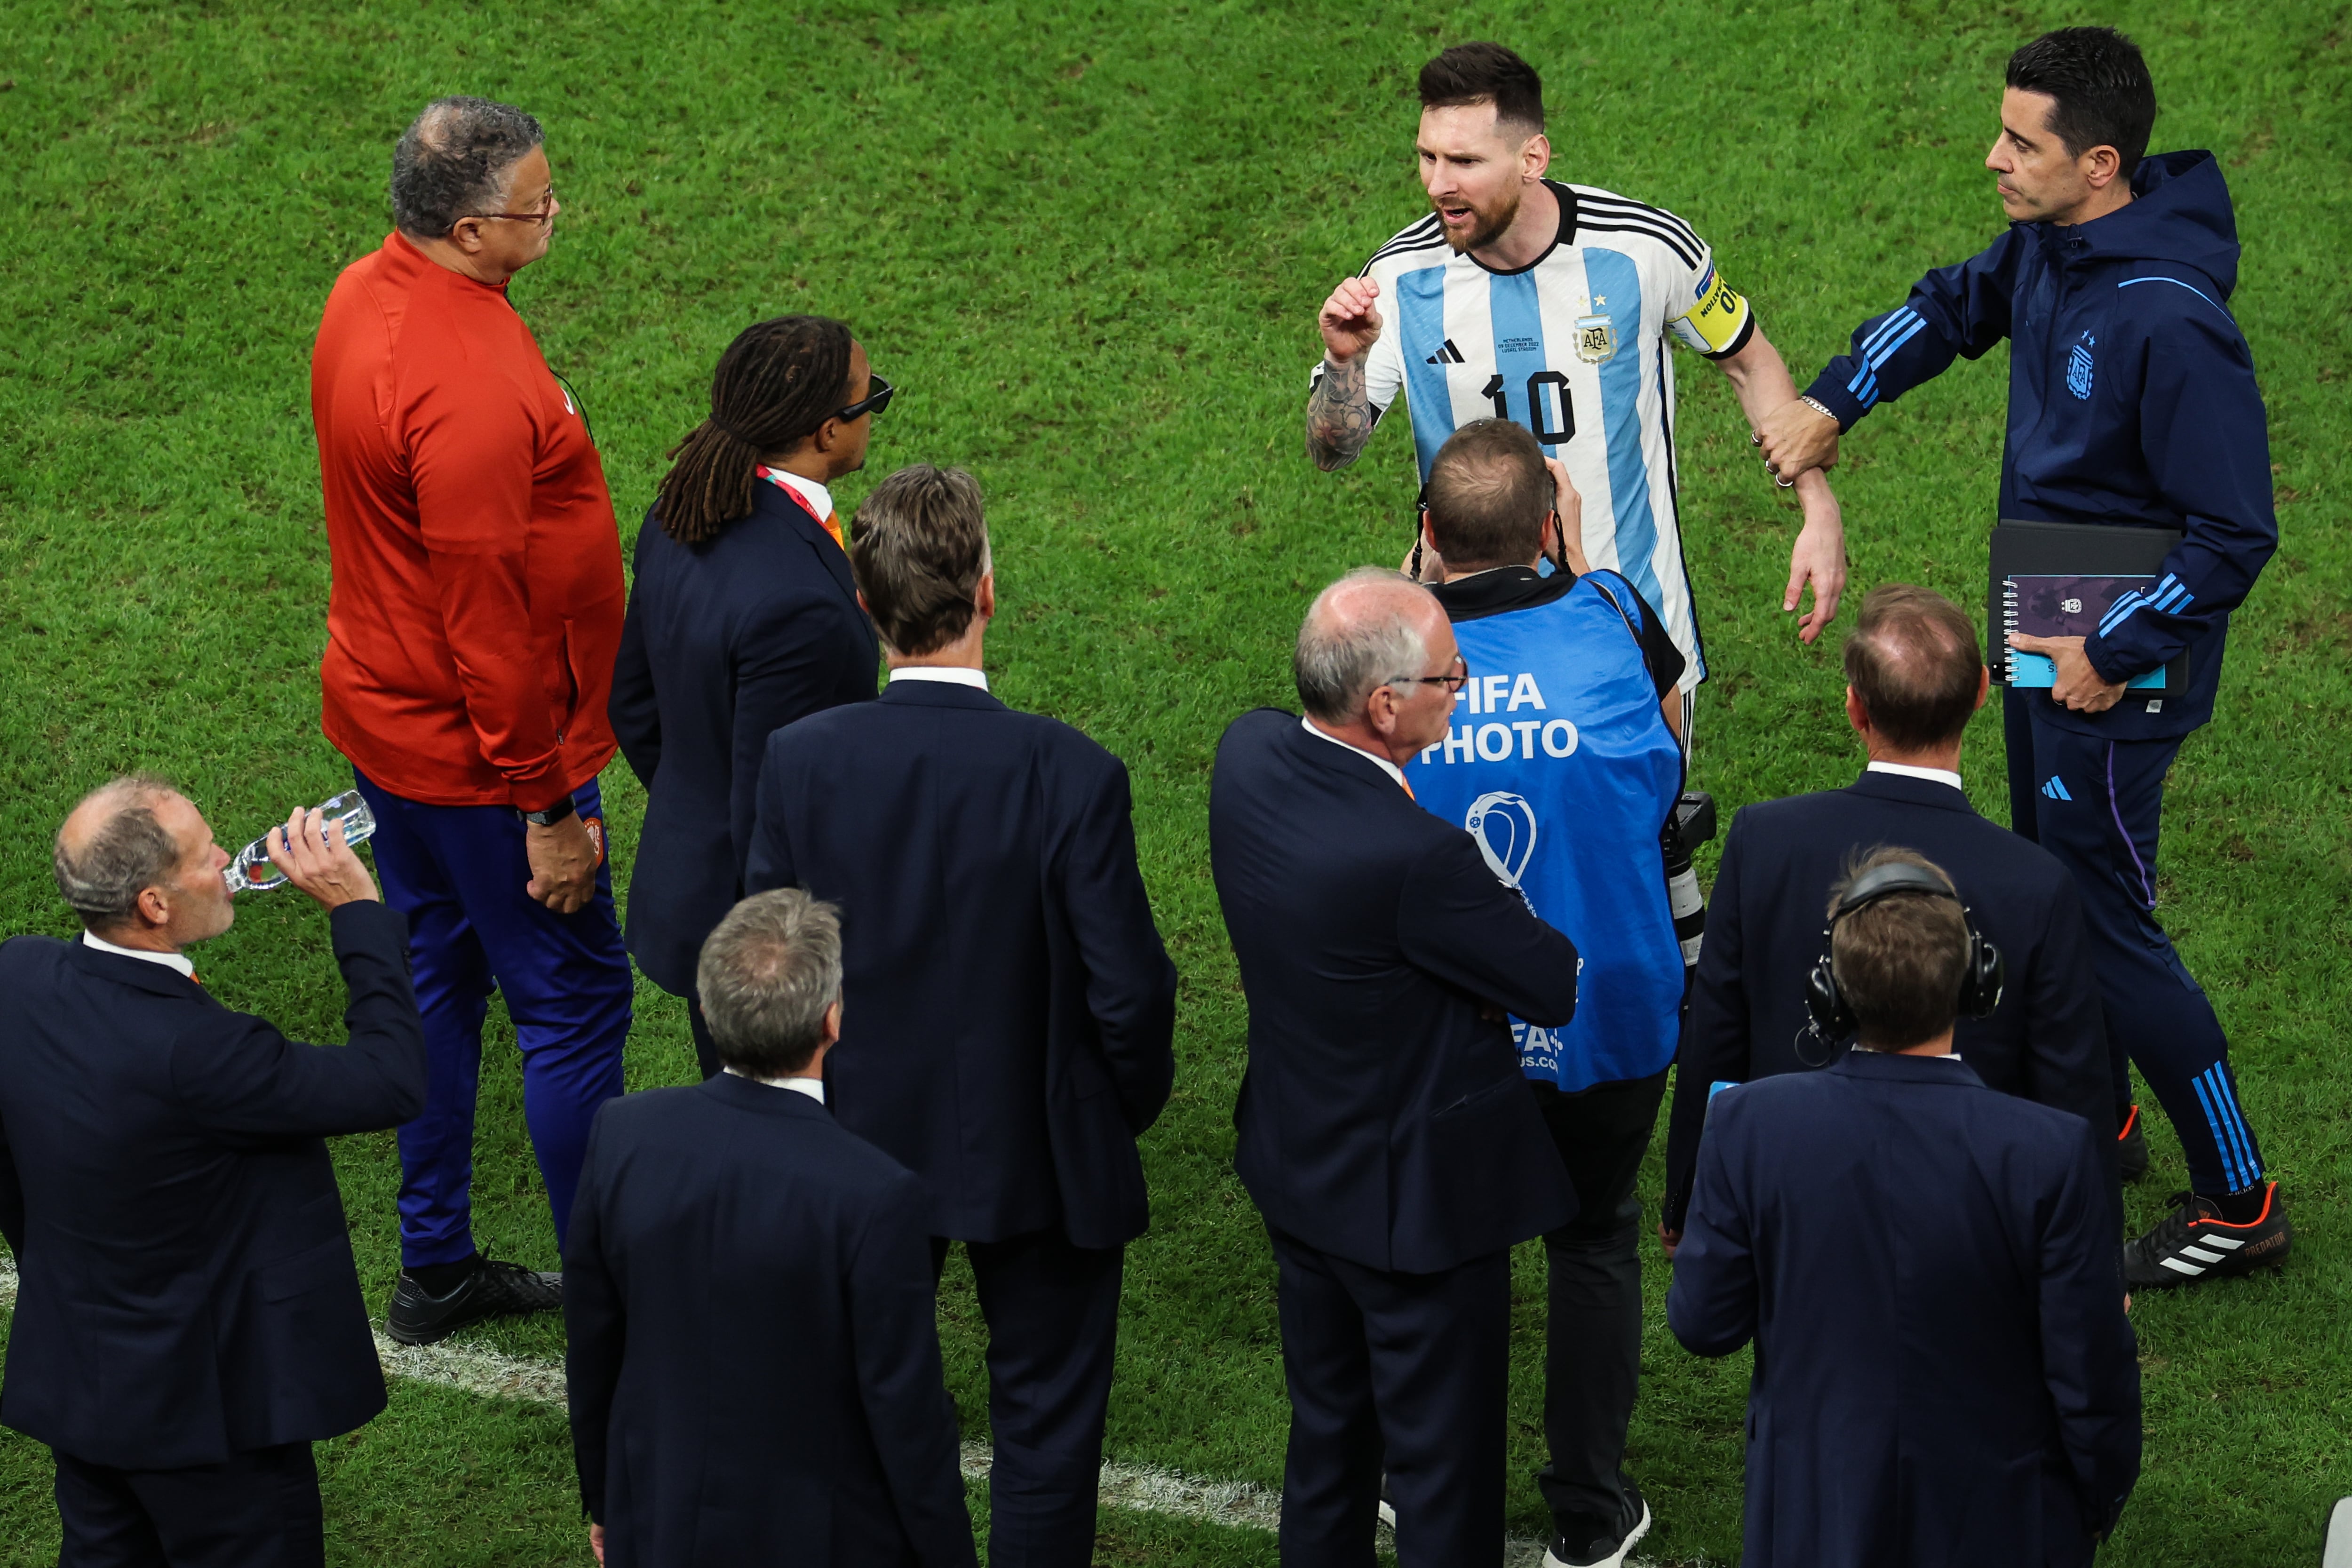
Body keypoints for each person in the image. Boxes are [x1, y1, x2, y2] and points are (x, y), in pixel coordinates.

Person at [1755, 27, 2286, 1286]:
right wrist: (1838, 397)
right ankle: (2096, 1116)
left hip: (2112, 655)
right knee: (2052, 886)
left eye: (2020, 143)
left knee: (2106, 921)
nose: (1993, 157)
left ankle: (2241, 1195)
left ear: (2099, 163)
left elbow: (2236, 532)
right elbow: (1957, 303)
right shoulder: (2061, 240)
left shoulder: (2173, 321)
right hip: (2047, 620)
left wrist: (2112, 644)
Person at [745, 465, 1177, 1568]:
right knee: (1047, 1427)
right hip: (1040, 1149)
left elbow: (760, 973)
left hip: (847, 1142)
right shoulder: (1072, 772)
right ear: (989, 590)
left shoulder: (801, 763)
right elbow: (1130, 991)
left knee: (852, 1412)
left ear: (865, 606)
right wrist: (1108, 1106)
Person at [311, 95, 635, 1342]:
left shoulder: (362, 293)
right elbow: (489, 626)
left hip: (386, 729)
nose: (555, 214)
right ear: (463, 225)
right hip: (486, 762)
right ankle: (614, 1295)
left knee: (439, 978)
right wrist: (548, 806)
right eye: (536, 205)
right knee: (571, 1002)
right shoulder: (470, 388)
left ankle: (434, 1258)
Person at [1307, 40, 1848, 745]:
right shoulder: (1403, 276)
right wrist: (1345, 363)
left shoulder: (1645, 249)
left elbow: (1748, 363)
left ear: (1533, 159)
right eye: (1427, 157)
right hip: (1463, 648)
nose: (1438, 183)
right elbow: (1332, 450)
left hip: (1629, 627)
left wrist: (1816, 503)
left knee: (1648, 841)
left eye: (1465, 162)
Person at [1209, 568, 1581, 1567]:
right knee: (1444, 1483)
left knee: (1327, 1445)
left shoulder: (1244, 752)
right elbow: (1550, 980)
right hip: (1417, 1215)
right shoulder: (1420, 859)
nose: (1460, 688)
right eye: (1449, 678)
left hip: (1300, 1170)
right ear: (1384, 706)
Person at [1669, 848, 2140, 1567]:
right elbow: (2093, 1375)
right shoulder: (2051, 1151)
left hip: (1812, 1515)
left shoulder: (1748, 1126)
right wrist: (2096, 1500)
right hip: (2003, 1524)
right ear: (1976, 982)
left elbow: (1705, 1322)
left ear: (1832, 991)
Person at [0, 778, 426, 1564]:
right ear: (155, 905)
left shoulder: (16, 978)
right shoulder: (203, 1053)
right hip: (210, 1419)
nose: (231, 859)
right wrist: (357, 912)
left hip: (80, 1382)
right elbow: (392, 1079)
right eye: (207, 855)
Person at [1398, 421, 1683, 1568]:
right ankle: (1586, 1509)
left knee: (1440, 1240)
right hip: (1607, 1000)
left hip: (1442, 1015)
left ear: (1426, 536)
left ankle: (1421, 1484)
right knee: (1592, 1237)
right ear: (1551, 526)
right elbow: (1666, 767)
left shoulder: (1382, 651)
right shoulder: (1614, 613)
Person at [1662, 584, 2118, 1250]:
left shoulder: (1765, 841)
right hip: (1973, 1219)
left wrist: (1689, 1191)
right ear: (1981, 699)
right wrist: (2097, 1258)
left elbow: (1715, 1030)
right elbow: (2074, 1086)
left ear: (1855, 708)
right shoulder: (2036, 882)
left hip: (1795, 1205)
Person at [564, 890, 976, 1568]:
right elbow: (908, 1421)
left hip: (660, 1517)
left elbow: (594, 1342)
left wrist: (608, 1501)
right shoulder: (875, 1194)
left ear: (705, 1006)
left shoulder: (625, 1135)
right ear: (833, 1018)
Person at [609, 314, 887, 1079]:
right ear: (829, 432)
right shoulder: (800, 603)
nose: (874, 419)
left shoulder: (678, 512)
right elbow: (775, 810)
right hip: (769, 952)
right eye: (872, 403)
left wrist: (693, 799)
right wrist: (794, 969)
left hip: (698, 903)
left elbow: (632, 703)